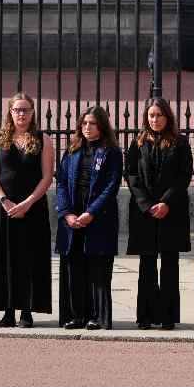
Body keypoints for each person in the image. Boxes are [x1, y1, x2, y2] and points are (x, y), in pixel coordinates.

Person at [0, 93, 54, 327]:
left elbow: (47, 176)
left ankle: (27, 311)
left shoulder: (43, 139)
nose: (21, 114)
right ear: (10, 112)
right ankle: (8, 311)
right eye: (17, 110)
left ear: (33, 112)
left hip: (33, 208)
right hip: (3, 208)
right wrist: (5, 202)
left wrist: (28, 203)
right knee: (5, 258)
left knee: (30, 257)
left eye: (26, 110)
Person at [125, 97, 193, 330]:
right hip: (145, 213)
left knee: (170, 265)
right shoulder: (138, 141)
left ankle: (167, 316)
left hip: (171, 212)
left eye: (159, 115)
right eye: (151, 115)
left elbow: (184, 175)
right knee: (147, 265)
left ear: (168, 117)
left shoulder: (180, 142)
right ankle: (145, 316)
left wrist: (165, 202)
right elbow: (131, 175)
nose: (155, 119)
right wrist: (146, 204)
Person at [56, 106, 122, 330]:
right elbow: (62, 182)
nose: (87, 128)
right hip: (73, 216)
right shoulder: (73, 149)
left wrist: (91, 212)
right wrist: (67, 212)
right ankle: (76, 314)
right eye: (84, 123)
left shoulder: (111, 151)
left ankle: (97, 315)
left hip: (98, 217)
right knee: (74, 266)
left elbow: (111, 186)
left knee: (97, 268)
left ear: (102, 125)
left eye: (92, 124)